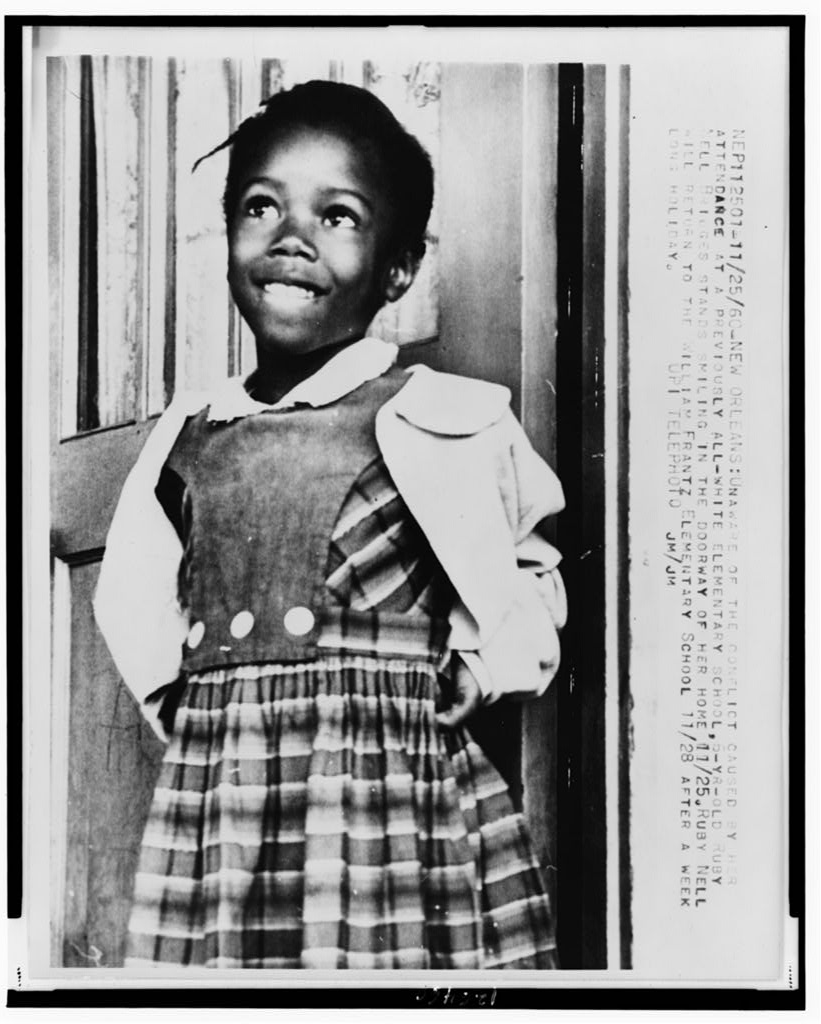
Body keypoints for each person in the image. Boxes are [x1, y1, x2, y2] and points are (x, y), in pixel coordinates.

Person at [94, 80, 567, 970]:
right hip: (229, 783)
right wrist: (196, 712)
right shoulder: (193, 434)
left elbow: (529, 561)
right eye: (261, 206)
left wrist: (483, 665)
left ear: (399, 266)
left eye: (338, 216)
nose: (291, 239)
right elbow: (133, 594)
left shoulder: (443, 417)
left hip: (388, 783)